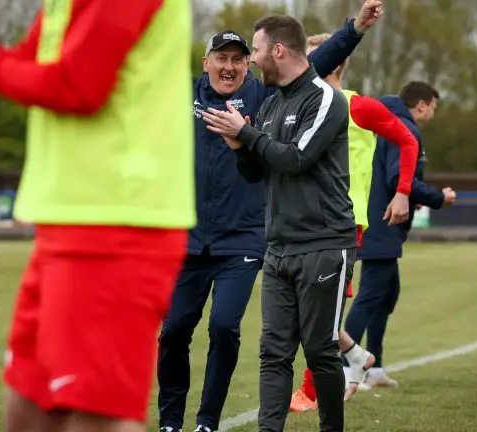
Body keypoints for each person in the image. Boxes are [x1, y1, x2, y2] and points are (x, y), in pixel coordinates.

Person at [0, 1, 195, 432]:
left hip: (117, 220)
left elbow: (78, 85)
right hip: (70, 220)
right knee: (29, 410)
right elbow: (30, 63)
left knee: (98, 418)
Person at [158, 3, 384, 432]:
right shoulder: (182, 96)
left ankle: (207, 422)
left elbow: (308, 64)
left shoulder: (262, 97)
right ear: (205, 63)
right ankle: (170, 422)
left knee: (228, 328)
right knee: (174, 334)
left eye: (240, 58)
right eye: (220, 58)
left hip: (245, 240)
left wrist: (352, 30)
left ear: (252, 61)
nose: (230, 65)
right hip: (189, 239)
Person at [202, 15, 417, 432]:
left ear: (277, 50)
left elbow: (296, 158)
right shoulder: (272, 101)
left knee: (319, 351)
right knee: (273, 352)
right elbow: (259, 171)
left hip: (323, 245)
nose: (253, 59)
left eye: (257, 50)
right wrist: (239, 144)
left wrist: (246, 136)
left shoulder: (325, 99)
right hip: (279, 246)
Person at [289, 33, 427, 413]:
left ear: (333, 63)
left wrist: (403, 192)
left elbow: (408, 141)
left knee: (317, 312)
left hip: (341, 224)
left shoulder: (356, 106)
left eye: (311, 57)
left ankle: (312, 390)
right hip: (299, 221)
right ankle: (355, 356)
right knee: (303, 308)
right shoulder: (295, 104)